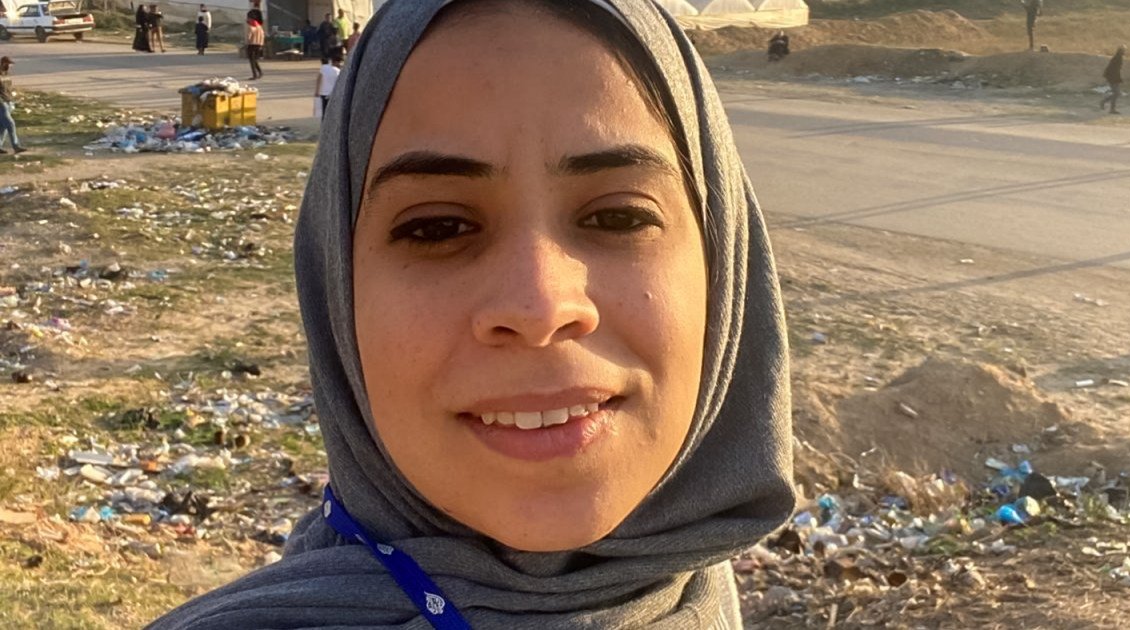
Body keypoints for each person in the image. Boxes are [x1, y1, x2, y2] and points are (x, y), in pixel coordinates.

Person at [148, 0, 794, 628]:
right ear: (335, 289)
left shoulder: (696, 590)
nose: (540, 308)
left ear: (723, 265)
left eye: (618, 217)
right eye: (437, 228)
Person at [0, 57, 28, 155]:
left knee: (3, 126)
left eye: (10, 64)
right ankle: (16, 146)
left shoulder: (7, 74)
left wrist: (12, 99)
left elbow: (8, 88)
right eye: (7, 64)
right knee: (10, 124)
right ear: (3, 63)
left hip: (8, 101)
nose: (9, 66)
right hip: (1, 103)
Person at [313, 53, 342, 120]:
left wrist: (317, 91)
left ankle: (324, 123)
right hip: (333, 94)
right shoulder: (338, 71)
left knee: (324, 110)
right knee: (332, 110)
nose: (340, 64)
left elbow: (319, 79)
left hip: (324, 93)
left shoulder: (324, 67)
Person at [1100, 44, 1126, 114]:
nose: (1124, 52)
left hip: (1113, 78)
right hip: (1113, 78)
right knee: (1117, 93)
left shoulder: (1117, 57)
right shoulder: (1118, 58)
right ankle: (1110, 107)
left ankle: (1105, 103)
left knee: (1116, 93)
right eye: (1123, 50)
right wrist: (1117, 79)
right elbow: (1114, 70)